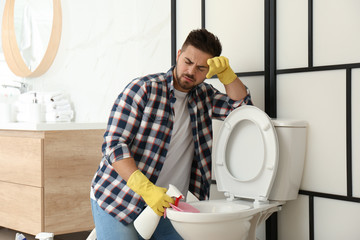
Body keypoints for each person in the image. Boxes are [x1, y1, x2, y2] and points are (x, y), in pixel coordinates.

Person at [90, 28, 253, 240]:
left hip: (169, 204)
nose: (191, 71)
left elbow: (243, 110)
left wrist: (227, 76)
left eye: (201, 68)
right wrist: (146, 189)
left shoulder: (205, 96)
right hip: (120, 198)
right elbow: (113, 145)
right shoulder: (144, 89)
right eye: (187, 61)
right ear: (178, 55)